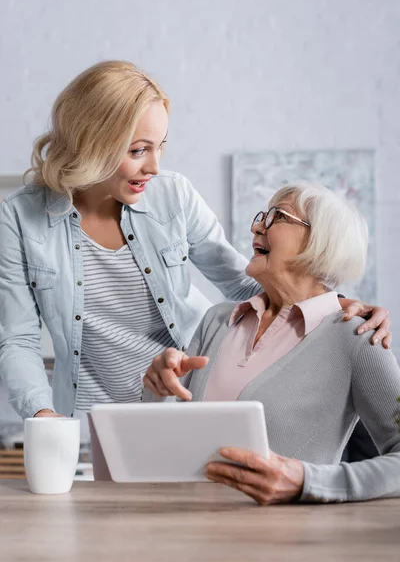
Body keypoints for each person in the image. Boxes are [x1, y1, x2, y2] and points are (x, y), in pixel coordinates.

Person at [0, 61, 391, 422]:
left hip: (183, 410)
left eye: (160, 147)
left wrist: (336, 305)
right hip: (86, 425)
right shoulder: (20, 217)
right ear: (91, 142)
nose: (154, 167)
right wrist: (42, 418)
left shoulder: (174, 197)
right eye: (138, 150)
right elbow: (17, 339)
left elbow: (242, 281)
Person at [143, 183, 400, 504]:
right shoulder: (218, 320)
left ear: (320, 241)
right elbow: (165, 438)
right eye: (262, 215)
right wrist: (157, 388)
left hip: (286, 546)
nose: (256, 226)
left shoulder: (359, 339)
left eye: (277, 217)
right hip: (187, 535)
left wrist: (309, 481)